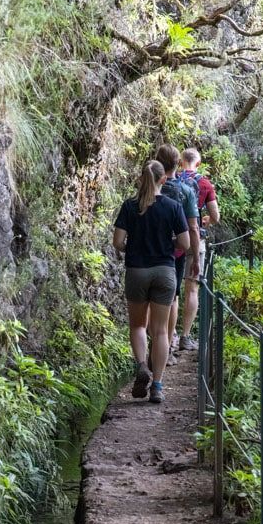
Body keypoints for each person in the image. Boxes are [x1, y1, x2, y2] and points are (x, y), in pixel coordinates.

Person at [113, 161, 190, 404]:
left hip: (136, 270)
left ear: (141, 179)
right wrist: (169, 246)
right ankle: (157, 386)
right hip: (165, 272)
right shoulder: (173, 207)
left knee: (137, 326)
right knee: (160, 331)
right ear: (163, 180)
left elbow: (117, 242)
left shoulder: (129, 206)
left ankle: (141, 366)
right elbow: (185, 244)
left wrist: (132, 248)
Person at [154, 144, 201, 358]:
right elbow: (192, 227)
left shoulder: (149, 187)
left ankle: (152, 348)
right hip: (176, 253)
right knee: (172, 297)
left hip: (148, 250)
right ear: (177, 164)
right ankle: (169, 345)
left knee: (148, 301)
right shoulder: (187, 191)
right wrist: (195, 256)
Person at [177, 147, 220, 349]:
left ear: (180, 162)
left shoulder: (172, 180)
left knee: (172, 291)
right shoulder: (204, 183)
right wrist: (207, 220)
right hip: (196, 240)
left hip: (174, 238)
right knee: (192, 289)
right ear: (199, 163)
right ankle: (185, 336)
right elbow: (216, 216)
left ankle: (169, 338)